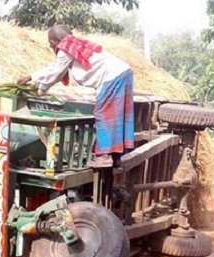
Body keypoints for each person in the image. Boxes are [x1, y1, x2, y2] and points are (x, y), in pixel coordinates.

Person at [19, 24, 135, 167]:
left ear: (54, 42)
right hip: (124, 72)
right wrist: (34, 79)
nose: (51, 47)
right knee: (117, 116)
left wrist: (38, 85)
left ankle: (104, 157)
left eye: (50, 44)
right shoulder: (76, 45)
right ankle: (116, 158)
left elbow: (55, 71)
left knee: (103, 113)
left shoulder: (66, 48)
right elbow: (56, 69)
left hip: (112, 77)